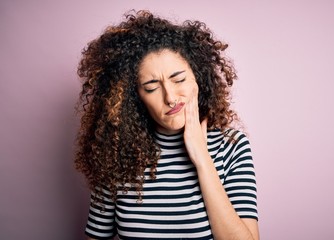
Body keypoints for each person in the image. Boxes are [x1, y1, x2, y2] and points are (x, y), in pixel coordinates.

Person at [75, 10, 259, 240]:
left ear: (198, 78)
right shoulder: (115, 152)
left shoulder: (231, 146)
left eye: (179, 79)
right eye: (151, 87)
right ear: (135, 97)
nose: (170, 97)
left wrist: (202, 157)